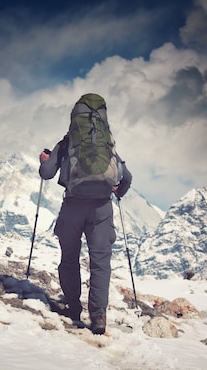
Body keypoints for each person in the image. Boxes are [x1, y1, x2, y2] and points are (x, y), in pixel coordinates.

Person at [39, 94, 132, 335]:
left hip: (73, 206)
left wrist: (45, 160)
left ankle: (72, 307)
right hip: (101, 208)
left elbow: (47, 173)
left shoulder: (69, 141)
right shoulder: (107, 145)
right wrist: (116, 191)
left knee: (70, 257)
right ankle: (98, 317)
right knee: (100, 263)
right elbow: (127, 178)